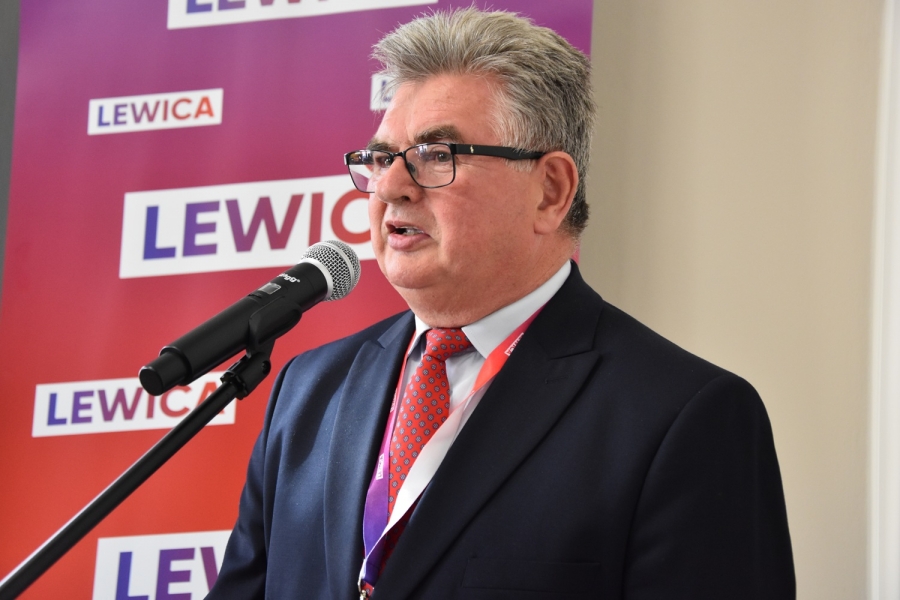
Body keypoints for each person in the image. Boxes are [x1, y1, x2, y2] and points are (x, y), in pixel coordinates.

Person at [207, 8, 795, 599]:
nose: (391, 187)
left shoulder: (683, 416)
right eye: (383, 158)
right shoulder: (309, 389)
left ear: (550, 191)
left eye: (437, 155)